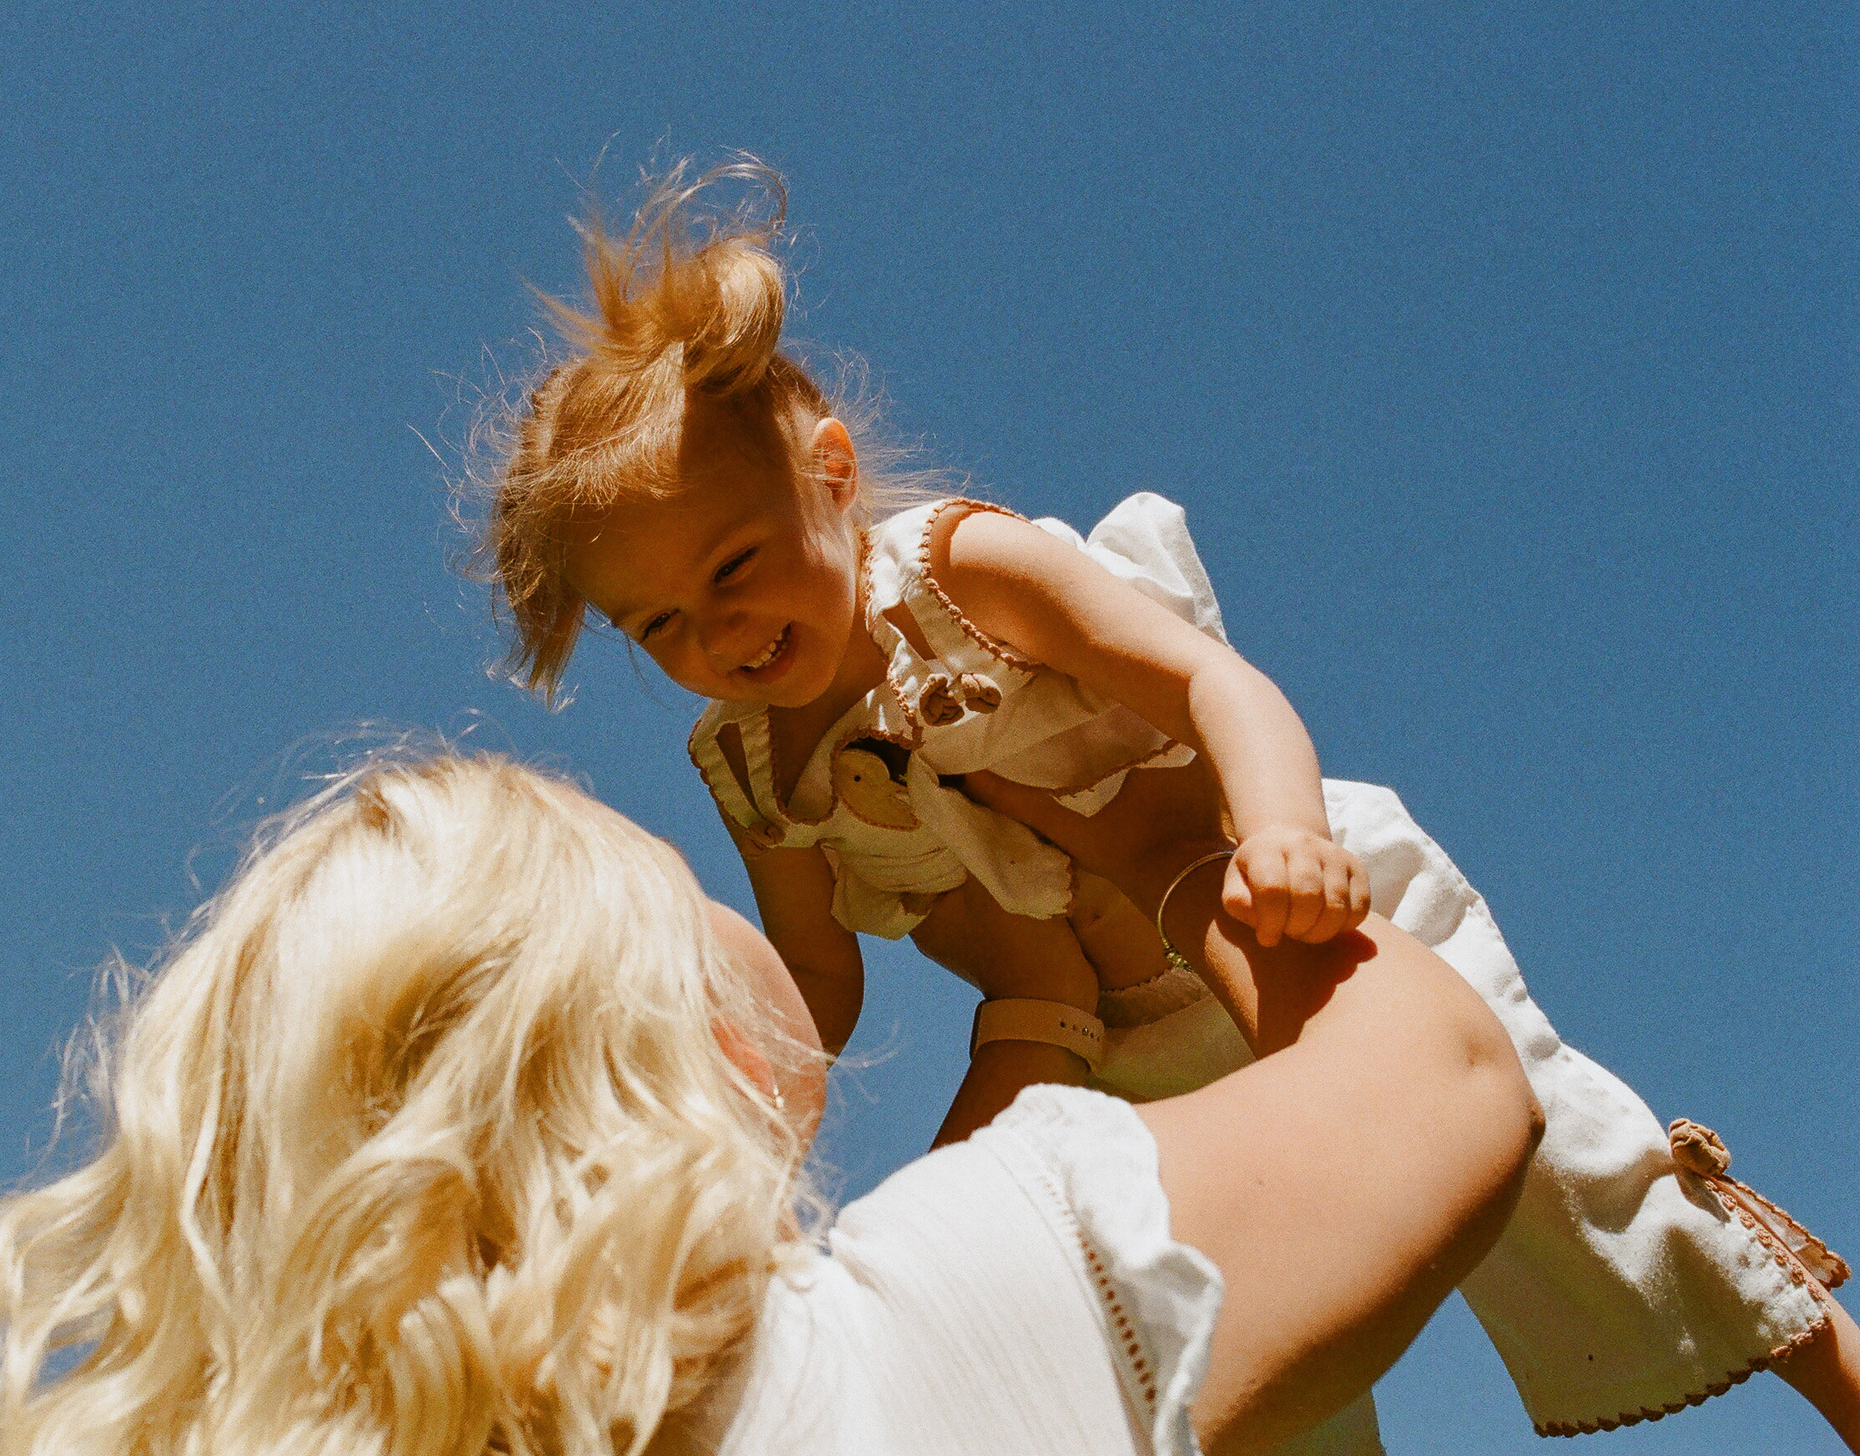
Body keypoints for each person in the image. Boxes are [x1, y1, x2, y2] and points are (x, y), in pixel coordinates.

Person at [467, 158, 1857, 1447]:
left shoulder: (961, 573)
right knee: (1227, 1341)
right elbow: (816, 990)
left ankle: (1833, 1369)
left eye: (737, 563)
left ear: (830, 477)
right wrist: (715, 1127)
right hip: (1109, 1042)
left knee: (1561, 1175)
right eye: (658, 624)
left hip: (1266, 903)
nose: (720, 630)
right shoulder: (758, 773)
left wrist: (1285, 834)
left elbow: (1209, 681)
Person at [0, 750, 1545, 1456]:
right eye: (689, 884)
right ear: (650, 1042)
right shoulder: (883, 1334)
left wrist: (1035, 999)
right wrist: (1153, 831)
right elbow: (1448, 1083)